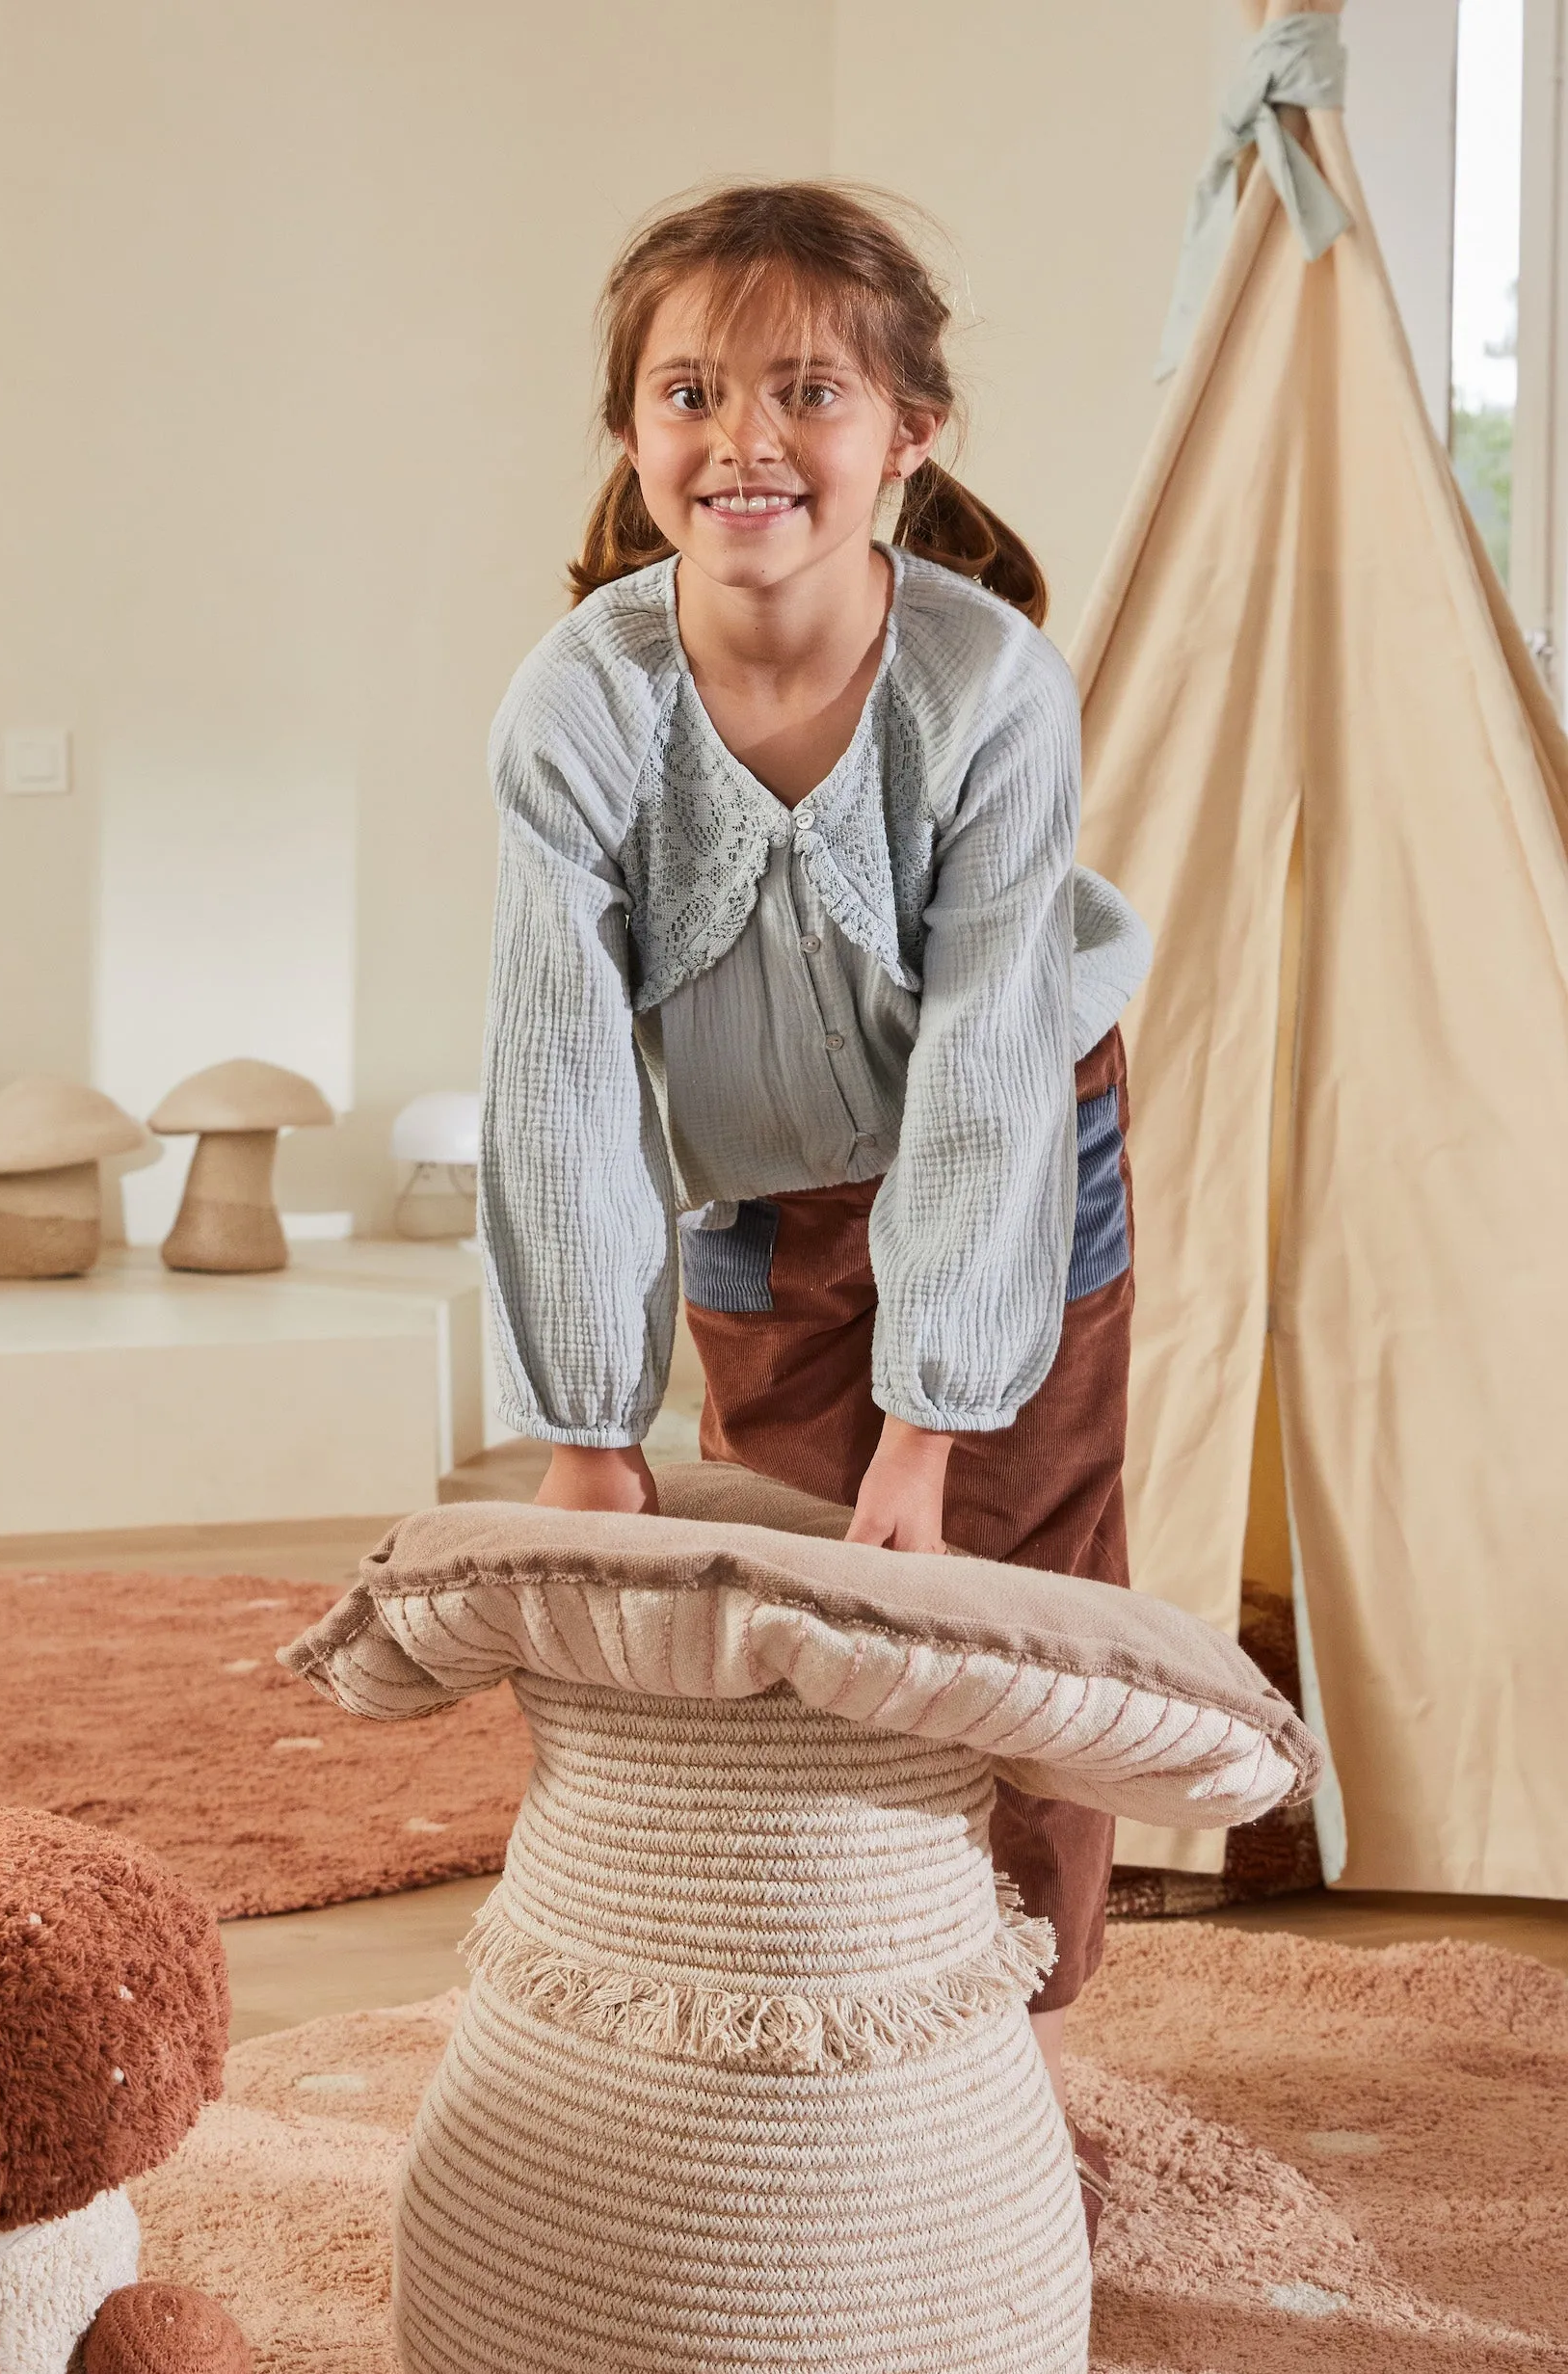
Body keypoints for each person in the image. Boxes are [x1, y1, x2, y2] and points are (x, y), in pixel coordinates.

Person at [477, 181, 1149, 2237]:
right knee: (793, 1635)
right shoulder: (581, 707)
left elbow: (978, 1065)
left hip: (1017, 1152)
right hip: (759, 1198)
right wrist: (588, 1435)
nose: (743, 436)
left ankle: (1012, 2075)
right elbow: (567, 1076)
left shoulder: (987, 686)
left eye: (806, 389)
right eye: (690, 391)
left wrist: (940, 1421)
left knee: (1006, 1614)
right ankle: (821, 2042)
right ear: (630, 435)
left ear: (908, 433)